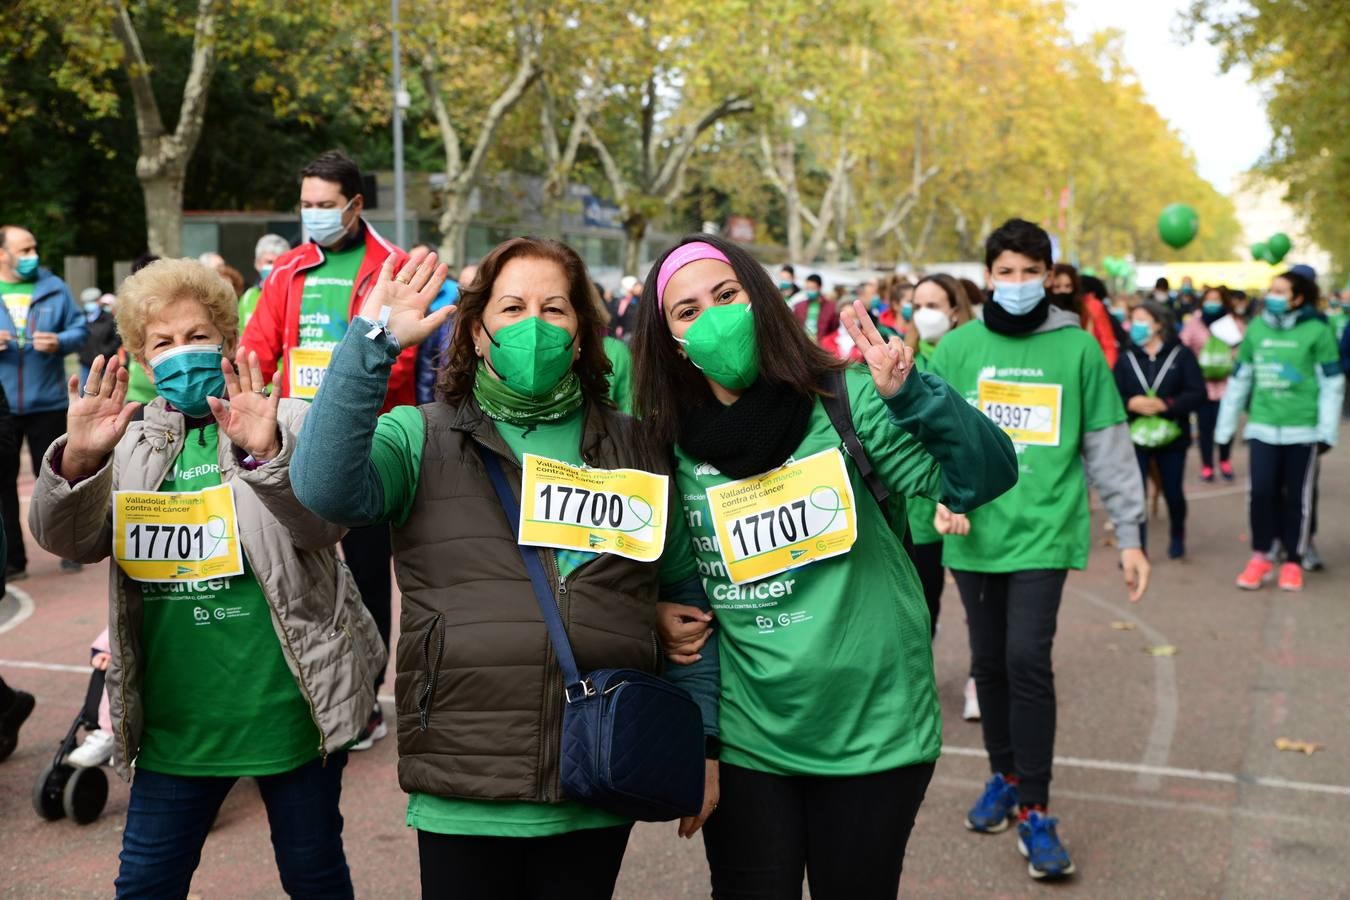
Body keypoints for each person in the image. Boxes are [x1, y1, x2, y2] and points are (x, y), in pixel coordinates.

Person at [290, 240, 721, 899]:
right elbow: (323, 488)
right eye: (512, 307)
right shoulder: (419, 435)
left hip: (597, 771)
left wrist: (704, 741)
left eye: (555, 309)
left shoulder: (638, 446)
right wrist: (371, 342)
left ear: (581, 337)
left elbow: (684, 593)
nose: (535, 325)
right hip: (465, 777)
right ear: (477, 332)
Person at [633, 234, 1018, 897]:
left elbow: (984, 476)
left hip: (875, 733)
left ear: (761, 299)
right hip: (751, 739)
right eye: (687, 310)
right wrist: (668, 645)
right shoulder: (666, 445)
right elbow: (677, 589)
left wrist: (914, 396)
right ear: (671, 340)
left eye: (727, 295)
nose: (714, 316)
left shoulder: (850, 401)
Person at [28, 258, 384, 898]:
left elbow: (322, 530)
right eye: (162, 342)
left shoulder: (288, 418)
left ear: (226, 337)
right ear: (140, 355)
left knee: (315, 876)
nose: (182, 353)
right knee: (144, 885)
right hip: (174, 724)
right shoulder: (125, 439)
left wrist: (265, 454)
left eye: (197, 336)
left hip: (288, 711)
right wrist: (80, 457)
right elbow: (68, 540)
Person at [929, 218, 1150, 881]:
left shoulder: (1079, 351)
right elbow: (929, 438)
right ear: (987, 275)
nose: (1018, 283)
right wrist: (944, 496)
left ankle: (1035, 808)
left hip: (1045, 535)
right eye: (1006, 271)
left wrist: (1131, 534)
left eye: (1032, 272)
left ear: (1050, 278)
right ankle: (1003, 774)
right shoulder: (959, 349)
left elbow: (1109, 446)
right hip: (973, 535)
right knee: (988, 663)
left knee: (1027, 660)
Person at [241, 149, 409, 747]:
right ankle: (305, 683)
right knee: (294, 569)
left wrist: (347, 387)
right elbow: (258, 348)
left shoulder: (393, 265)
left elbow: (405, 354)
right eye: (305, 205)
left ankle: (365, 695)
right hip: (288, 445)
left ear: (355, 205)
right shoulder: (285, 270)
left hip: (363, 447)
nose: (312, 214)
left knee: (365, 577)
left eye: (324, 205)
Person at [1216, 269, 1344, 592]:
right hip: (1262, 427)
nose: (1272, 295)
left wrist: (1327, 432)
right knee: (1260, 494)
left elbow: (1332, 383)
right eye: (1270, 290)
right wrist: (1225, 429)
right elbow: (1240, 379)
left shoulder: (1318, 330)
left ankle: (1293, 561)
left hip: (1304, 430)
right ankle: (1260, 556)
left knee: (1297, 500)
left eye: (1280, 291)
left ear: (1298, 298)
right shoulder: (1257, 329)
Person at [905, 273, 981, 721]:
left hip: (971, 503)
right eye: (918, 303)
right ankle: (917, 681)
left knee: (979, 605)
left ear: (955, 309)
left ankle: (980, 679)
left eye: (935, 303)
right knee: (922, 602)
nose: (925, 312)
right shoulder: (900, 355)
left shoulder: (973, 352)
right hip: (919, 507)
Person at [0, 224, 89, 578]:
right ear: (2, 254)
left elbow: (81, 328)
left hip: (49, 402)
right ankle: (12, 562)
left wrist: (60, 341)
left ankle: (70, 548)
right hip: (3, 408)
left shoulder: (54, 287)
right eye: (23, 250)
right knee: (3, 486)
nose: (31, 256)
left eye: (33, 248)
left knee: (58, 481)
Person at [1114, 300, 1206, 558]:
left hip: (1172, 438)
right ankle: (1137, 546)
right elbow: (1111, 396)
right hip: (1135, 437)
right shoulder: (1126, 358)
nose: (1136, 326)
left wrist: (1166, 405)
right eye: (1134, 320)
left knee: (1173, 492)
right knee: (1135, 494)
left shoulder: (1181, 355)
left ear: (1158, 325)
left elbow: (1197, 392)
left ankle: (1178, 533)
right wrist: (1130, 403)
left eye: (1142, 320)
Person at [1180, 286, 1244, 481]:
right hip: (1202, 386)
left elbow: (1242, 350)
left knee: (1225, 425)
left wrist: (1226, 361)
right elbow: (1183, 346)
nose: (1212, 303)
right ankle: (1207, 465)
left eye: (1217, 299)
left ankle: (1224, 459)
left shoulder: (1234, 324)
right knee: (1204, 428)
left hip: (1227, 385)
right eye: (1209, 299)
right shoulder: (1194, 323)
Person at [1053, 264, 1119, 369]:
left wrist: (1103, 373)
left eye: (1068, 286)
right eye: (1057, 287)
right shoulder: (1044, 310)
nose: (1063, 291)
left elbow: (1108, 345)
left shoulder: (1091, 307)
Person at [237, 233, 292, 331]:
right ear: (257, 263)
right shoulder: (247, 298)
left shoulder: (294, 296)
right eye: (269, 262)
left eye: (279, 262)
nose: (274, 267)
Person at [79, 288, 122, 385]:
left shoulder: (109, 318)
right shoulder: (81, 317)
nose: (90, 304)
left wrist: (105, 352)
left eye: (92, 301)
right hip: (86, 362)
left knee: (107, 389)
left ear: (99, 301)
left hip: (105, 362)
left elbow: (117, 338)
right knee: (85, 390)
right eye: (87, 302)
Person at [790, 273, 838, 344]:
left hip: (821, 344)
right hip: (803, 343)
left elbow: (834, 328)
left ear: (820, 287)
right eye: (807, 288)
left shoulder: (831, 307)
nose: (809, 291)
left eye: (812, 288)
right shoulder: (799, 306)